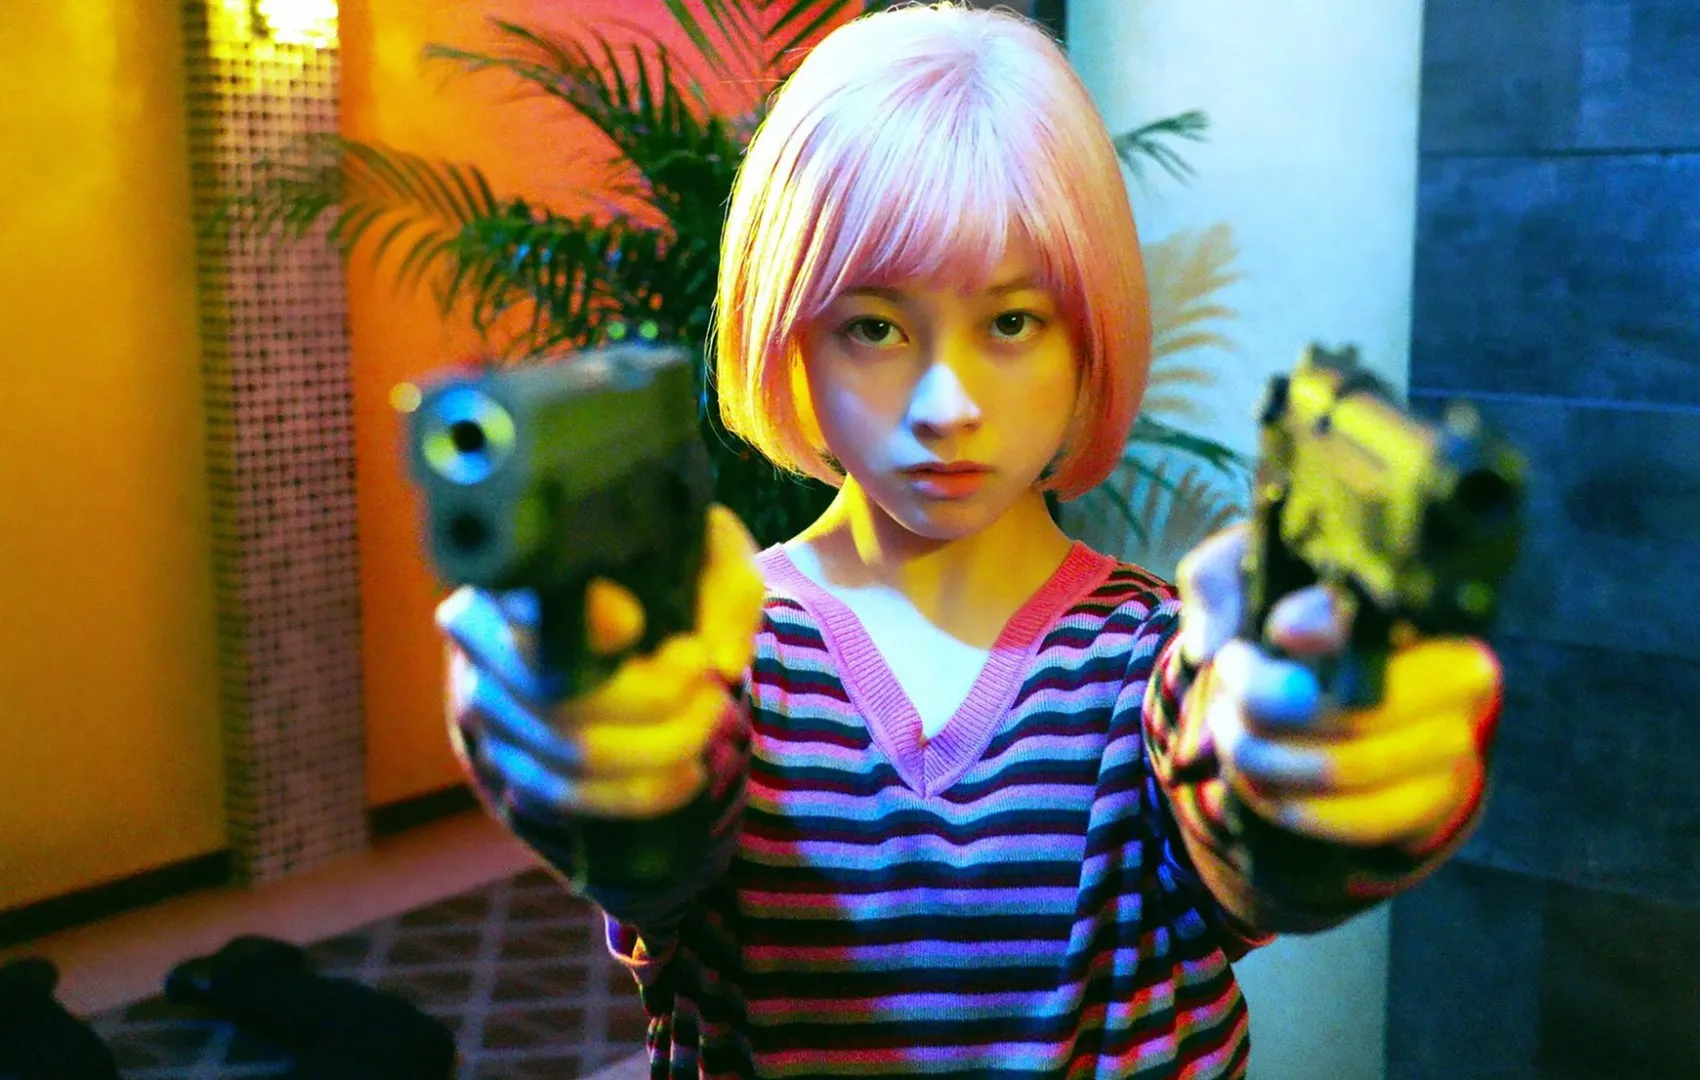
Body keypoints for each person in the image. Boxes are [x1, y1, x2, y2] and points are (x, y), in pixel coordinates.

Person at [435, 4, 1502, 1077]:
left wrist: (1329, 773)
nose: (947, 407)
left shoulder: (1156, 662)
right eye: (875, 327)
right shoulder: (722, 653)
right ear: (789, 336)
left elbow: (1248, 830)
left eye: (1012, 322)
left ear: (1088, 338)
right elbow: (654, 834)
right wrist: (586, 739)